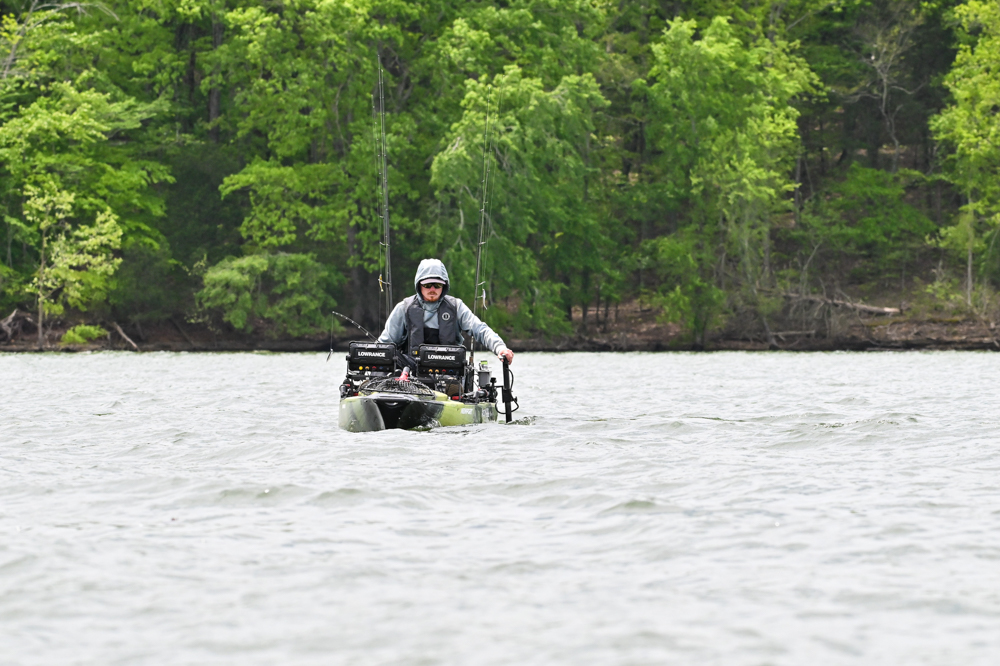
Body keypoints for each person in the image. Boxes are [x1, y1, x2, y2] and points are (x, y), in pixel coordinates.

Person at [377, 258, 514, 366]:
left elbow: (480, 329)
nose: (432, 289)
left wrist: (500, 348)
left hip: (449, 370)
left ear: (444, 286)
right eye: (427, 285)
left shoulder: (456, 306)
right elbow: (384, 344)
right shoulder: (403, 308)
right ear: (419, 285)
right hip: (410, 370)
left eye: (437, 285)